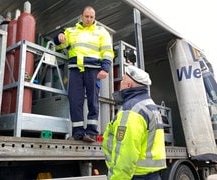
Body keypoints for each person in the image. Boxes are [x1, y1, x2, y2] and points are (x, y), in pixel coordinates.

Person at [54, 6, 114, 142]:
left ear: (94, 18)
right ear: (81, 16)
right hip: (75, 69)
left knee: (93, 100)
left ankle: (92, 133)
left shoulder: (101, 31)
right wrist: (59, 37)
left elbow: (107, 51)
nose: (89, 19)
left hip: (94, 69)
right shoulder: (71, 31)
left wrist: (105, 68)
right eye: (86, 16)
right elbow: (60, 45)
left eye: (91, 17)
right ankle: (78, 132)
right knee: (75, 100)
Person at [102, 65, 167, 180]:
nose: (120, 83)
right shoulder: (149, 105)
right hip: (151, 174)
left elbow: (126, 153)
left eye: (123, 80)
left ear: (129, 85)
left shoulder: (132, 109)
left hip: (136, 175)